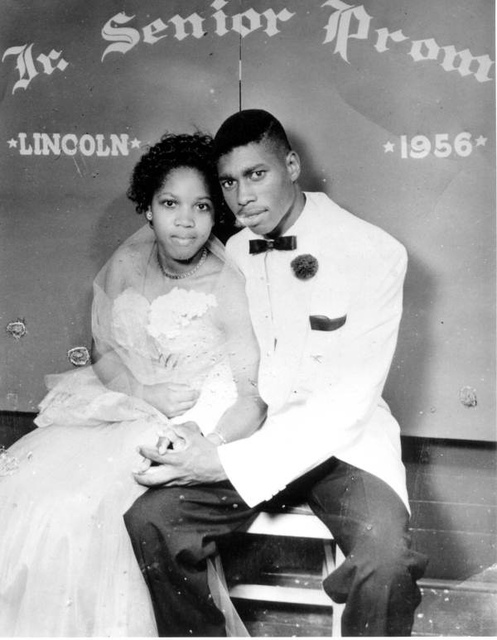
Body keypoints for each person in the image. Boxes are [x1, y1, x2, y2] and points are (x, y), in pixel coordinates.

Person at [125, 110, 428, 637]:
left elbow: (344, 407)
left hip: (344, 450)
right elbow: (246, 377)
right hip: (257, 435)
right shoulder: (239, 249)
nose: (241, 196)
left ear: (291, 165)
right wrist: (208, 437)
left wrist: (221, 462)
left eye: (256, 174)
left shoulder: (374, 252)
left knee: (386, 565)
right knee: (152, 519)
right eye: (228, 182)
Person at [0, 132, 265, 637]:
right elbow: (104, 352)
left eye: (202, 206)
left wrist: (204, 444)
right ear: (148, 208)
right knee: (20, 491)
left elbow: (251, 394)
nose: (185, 220)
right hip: (121, 405)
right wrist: (141, 394)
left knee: (83, 513)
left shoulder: (229, 284)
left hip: (188, 421)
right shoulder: (127, 261)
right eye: (170, 203)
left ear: (217, 214)